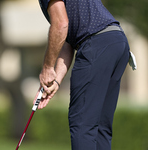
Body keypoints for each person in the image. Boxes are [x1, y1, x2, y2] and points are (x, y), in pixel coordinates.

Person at [34, 0, 131, 149]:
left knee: (82, 125)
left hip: (97, 45)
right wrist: (56, 81)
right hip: (117, 41)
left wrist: (47, 68)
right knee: (100, 128)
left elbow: (60, 25)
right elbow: (67, 41)